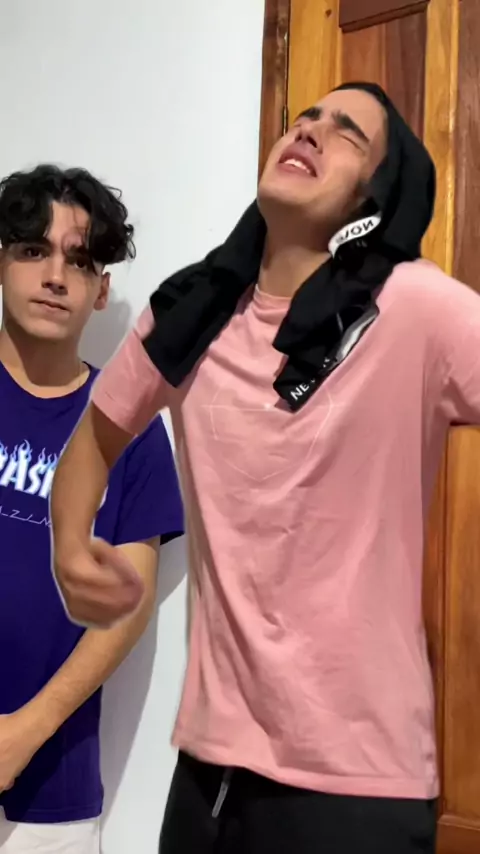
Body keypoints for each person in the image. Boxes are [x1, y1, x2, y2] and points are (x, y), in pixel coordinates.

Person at [50, 81, 480, 854]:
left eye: (347, 132)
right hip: (207, 776)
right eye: (307, 116)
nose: (312, 129)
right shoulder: (191, 312)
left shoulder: (417, 308)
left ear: (374, 196)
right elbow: (91, 443)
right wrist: (70, 546)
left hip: (356, 793)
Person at [0, 165, 184, 854]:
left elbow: (127, 606)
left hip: (50, 801)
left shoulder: (128, 430)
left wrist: (23, 733)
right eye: (32, 250)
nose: (55, 276)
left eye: (78, 261)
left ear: (101, 289)